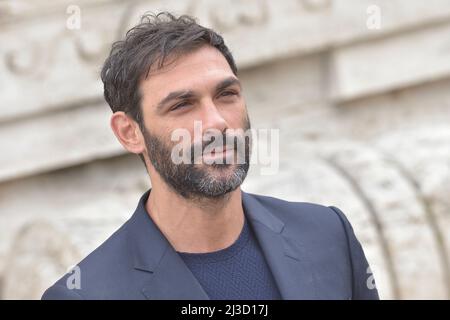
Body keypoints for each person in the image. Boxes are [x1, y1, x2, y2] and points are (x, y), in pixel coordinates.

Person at [42, 12, 379, 300]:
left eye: (226, 94)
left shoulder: (326, 233)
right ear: (130, 132)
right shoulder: (84, 294)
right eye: (182, 105)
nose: (217, 121)